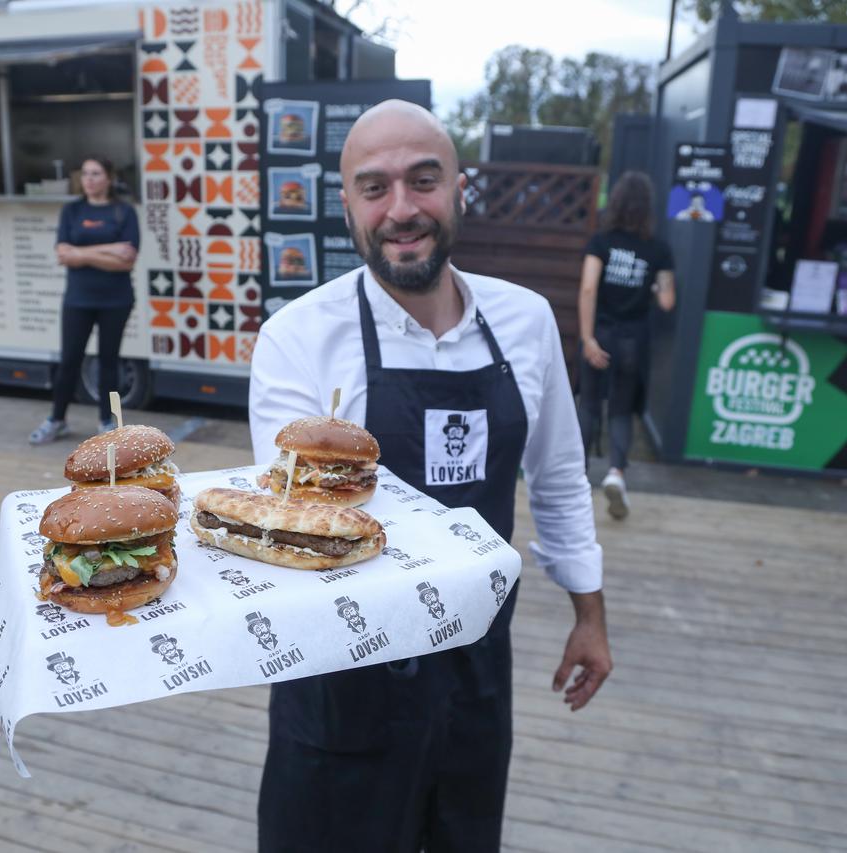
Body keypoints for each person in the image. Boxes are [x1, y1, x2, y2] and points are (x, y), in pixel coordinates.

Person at [249, 100, 611, 852]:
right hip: (342, 676)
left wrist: (589, 614)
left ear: (459, 189)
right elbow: (290, 521)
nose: (402, 209)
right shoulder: (298, 338)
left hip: (477, 663)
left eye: (424, 180)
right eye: (375, 188)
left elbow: (559, 477)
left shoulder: (528, 318)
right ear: (346, 203)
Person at [577, 170, 676, 520]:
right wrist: (648, 287)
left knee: (589, 405)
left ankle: (577, 478)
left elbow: (589, 288)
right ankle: (616, 473)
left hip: (600, 335)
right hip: (634, 342)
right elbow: (667, 301)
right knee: (621, 409)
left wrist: (587, 338)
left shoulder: (600, 242)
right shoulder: (658, 249)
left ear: (615, 203)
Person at [29, 156, 139, 444]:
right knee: (69, 360)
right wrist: (108, 249)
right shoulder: (72, 211)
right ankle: (57, 419)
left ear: (109, 178)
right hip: (78, 299)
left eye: (96, 173)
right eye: (85, 174)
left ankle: (106, 421)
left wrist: (83, 254)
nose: (89, 179)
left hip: (116, 300)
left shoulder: (123, 212)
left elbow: (127, 261)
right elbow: (64, 254)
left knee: (108, 361)